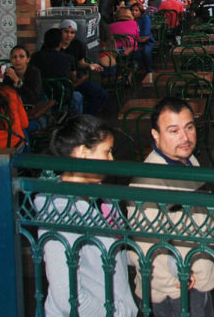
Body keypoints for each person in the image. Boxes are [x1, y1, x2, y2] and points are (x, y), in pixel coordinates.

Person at [38, 115, 137, 317]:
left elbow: (105, 251)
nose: (111, 160)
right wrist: (115, 313)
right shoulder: (60, 213)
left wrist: (135, 257)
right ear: (83, 152)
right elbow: (67, 297)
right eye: (107, 152)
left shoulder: (98, 193)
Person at [129, 98, 214, 316]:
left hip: (199, 279)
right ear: (156, 135)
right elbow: (144, 247)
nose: (185, 138)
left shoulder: (189, 161)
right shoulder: (147, 183)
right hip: (177, 291)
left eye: (189, 128)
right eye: (173, 131)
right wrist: (174, 282)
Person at [60, 19, 108, 116]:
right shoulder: (54, 45)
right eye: (66, 32)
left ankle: (85, 118)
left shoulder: (77, 44)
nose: (69, 35)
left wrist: (90, 65)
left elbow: (80, 63)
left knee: (102, 94)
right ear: (60, 31)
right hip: (61, 83)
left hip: (77, 81)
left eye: (72, 33)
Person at [30, 28, 84, 113]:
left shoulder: (35, 56)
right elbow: (73, 78)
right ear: (60, 43)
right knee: (78, 96)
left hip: (40, 95)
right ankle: (76, 122)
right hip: (62, 96)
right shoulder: (68, 58)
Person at [130, 1, 156, 81]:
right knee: (134, 52)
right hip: (136, 41)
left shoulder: (145, 18)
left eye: (136, 10)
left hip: (147, 41)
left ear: (141, 11)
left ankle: (150, 70)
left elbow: (145, 33)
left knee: (145, 51)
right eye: (132, 10)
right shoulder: (130, 20)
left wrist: (136, 37)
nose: (134, 12)